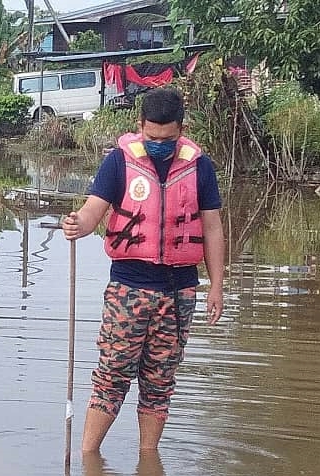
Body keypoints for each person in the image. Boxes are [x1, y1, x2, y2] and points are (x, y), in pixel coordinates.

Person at [61, 86, 225, 452]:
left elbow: (212, 227)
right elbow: (92, 210)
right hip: (129, 288)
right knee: (112, 375)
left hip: (179, 290)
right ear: (140, 126)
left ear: (181, 129)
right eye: (152, 137)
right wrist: (78, 225)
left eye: (167, 138)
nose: (159, 144)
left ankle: (149, 463)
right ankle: (89, 459)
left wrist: (217, 285)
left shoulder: (199, 166)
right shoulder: (119, 162)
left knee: (160, 380)